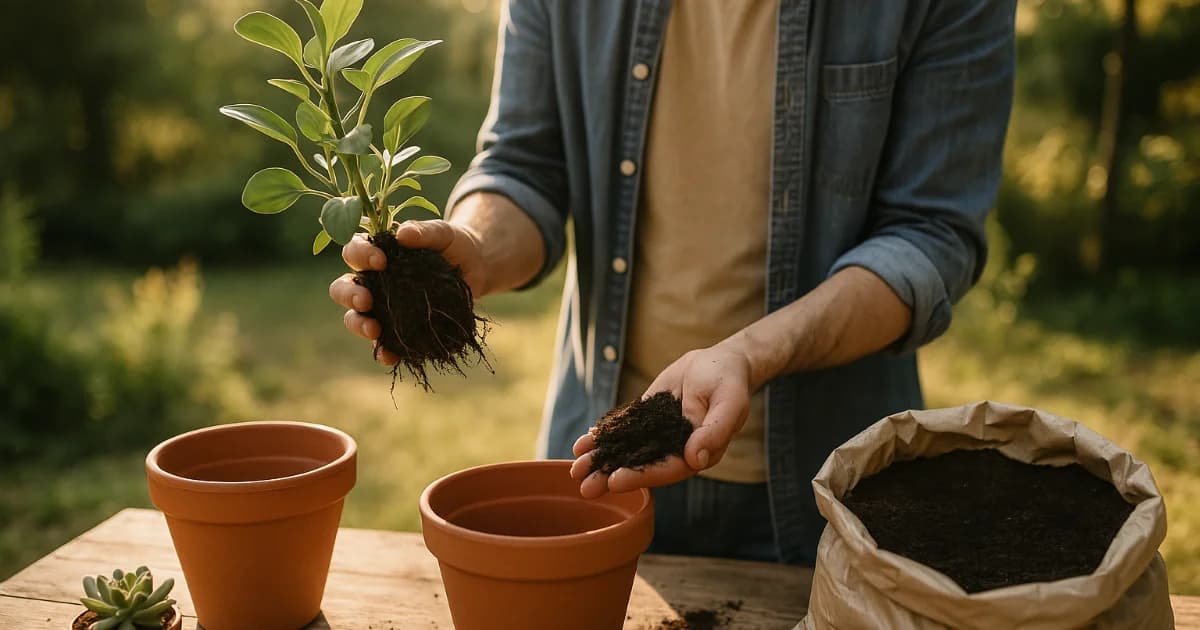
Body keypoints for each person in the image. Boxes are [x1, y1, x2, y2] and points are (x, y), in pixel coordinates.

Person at [329, 0, 1016, 565]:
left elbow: (930, 235)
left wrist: (750, 354)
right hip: (603, 467)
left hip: (836, 490)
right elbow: (524, 165)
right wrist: (473, 248)